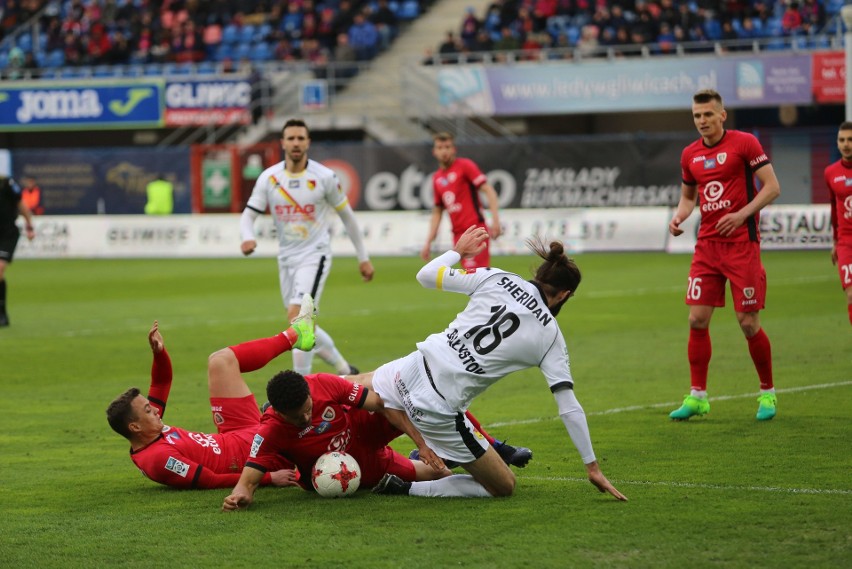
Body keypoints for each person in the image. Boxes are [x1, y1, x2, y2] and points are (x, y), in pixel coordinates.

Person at [368, 226, 627, 500]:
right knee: (503, 486)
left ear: (538, 274)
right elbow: (568, 406)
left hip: (411, 368)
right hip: (437, 409)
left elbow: (426, 276)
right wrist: (592, 467)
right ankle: (405, 486)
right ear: (564, 295)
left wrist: (457, 251)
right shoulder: (550, 335)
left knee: (350, 386)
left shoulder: (497, 277)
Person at [105, 296, 318, 489]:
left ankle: (295, 335)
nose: (156, 411)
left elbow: (161, 382)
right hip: (254, 451)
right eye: (149, 411)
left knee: (220, 361)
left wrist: (159, 353)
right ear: (135, 426)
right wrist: (269, 478)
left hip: (234, 432)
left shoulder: (149, 429)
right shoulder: (158, 459)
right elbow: (209, 479)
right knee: (315, 406)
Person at [668, 89, 781, 422]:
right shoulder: (689, 154)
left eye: (707, 115)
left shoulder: (745, 143)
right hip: (707, 247)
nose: (702, 121)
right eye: (696, 116)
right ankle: (698, 397)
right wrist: (679, 217)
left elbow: (772, 187)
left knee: (747, 323)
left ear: (722, 115)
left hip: (742, 246)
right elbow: (689, 198)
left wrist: (742, 214)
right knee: (696, 319)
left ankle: (768, 393)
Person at [240, 118, 374, 377]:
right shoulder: (269, 178)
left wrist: (363, 258)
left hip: (315, 254)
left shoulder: (324, 177)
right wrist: (247, 236)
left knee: (298, 319)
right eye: (291, 138)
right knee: (299, 322)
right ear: (282, 143)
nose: (296, 143)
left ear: (308, 142)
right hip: (286, 257)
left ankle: (302, 386)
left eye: (301, 138)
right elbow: (249, 215)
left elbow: (347, 216)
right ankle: (345, 369)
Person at [221, 368, 451, 511]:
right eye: (297, 417)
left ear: (309, 395)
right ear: (279, 412)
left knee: (417, 402)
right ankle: (416, 461)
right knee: (441, 475)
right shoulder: (270, 431)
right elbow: (248, 482)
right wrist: (238, 497)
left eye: (308, 409)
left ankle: (476, 442)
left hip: (362, 429)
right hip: (355, 467)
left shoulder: (324, 384)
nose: (306, 417)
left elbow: (381, 404)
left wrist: (421, 444)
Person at [421, 132, 502, 271]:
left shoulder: (465, 166)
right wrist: (428, 241)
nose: (444, 151)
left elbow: (488, 190)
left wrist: (495, 221)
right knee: (471, 280)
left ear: (454, 149)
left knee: (475, 276)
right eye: (440, 147)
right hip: (458, 235)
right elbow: (437, 212)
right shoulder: (437, 178)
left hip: (475, 230)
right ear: (434, 152)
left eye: (447, 147)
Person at [823, 121, 852, 326]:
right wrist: (835, 241)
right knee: (851, 295)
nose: (846, 144)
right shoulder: (830, 172)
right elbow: (834, 207)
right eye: (842, 140)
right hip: (846, 242)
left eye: (850, 140)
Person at [0, 175, 35, 327]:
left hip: (7, 234)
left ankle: (1, 313)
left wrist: (29, 226)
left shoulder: (6, 184)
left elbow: (21, 205)